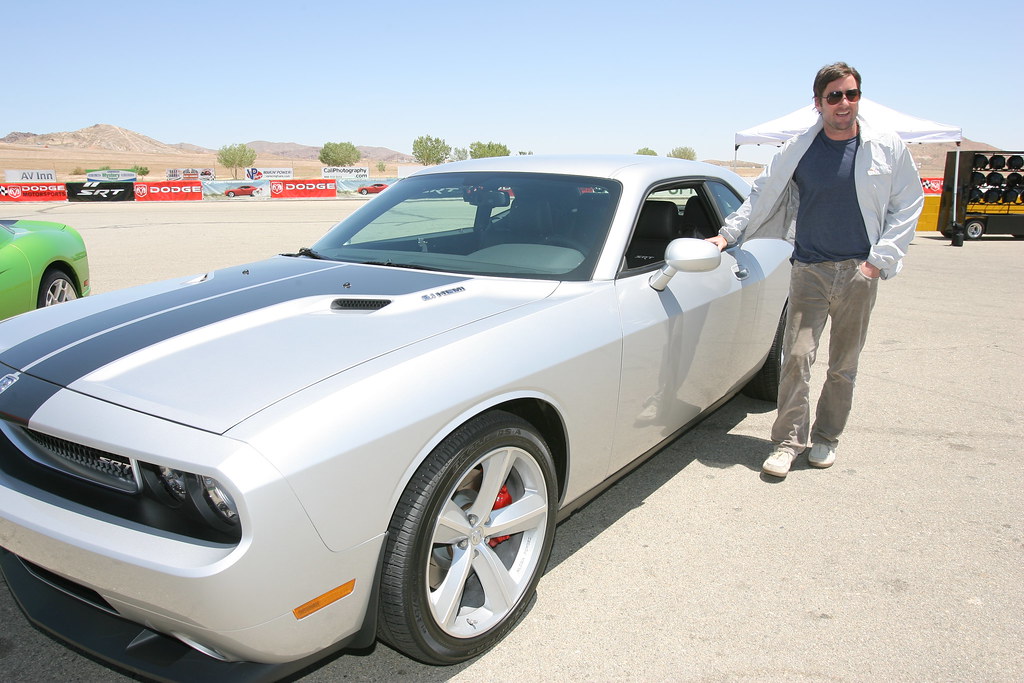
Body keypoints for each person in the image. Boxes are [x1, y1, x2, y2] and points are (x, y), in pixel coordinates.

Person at [707, 62, 923, 478]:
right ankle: (788, 442)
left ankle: (826, 437)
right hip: (809, 268)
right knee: (797, 358)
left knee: (844, 364)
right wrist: (725, 236)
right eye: (835, 96)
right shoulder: (797, 149)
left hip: (860, 272)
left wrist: (879, 262)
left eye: (852, 94)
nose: (844, 103)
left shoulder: (885, 146)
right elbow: (761, 194)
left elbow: (907, 204)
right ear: (818, 102)